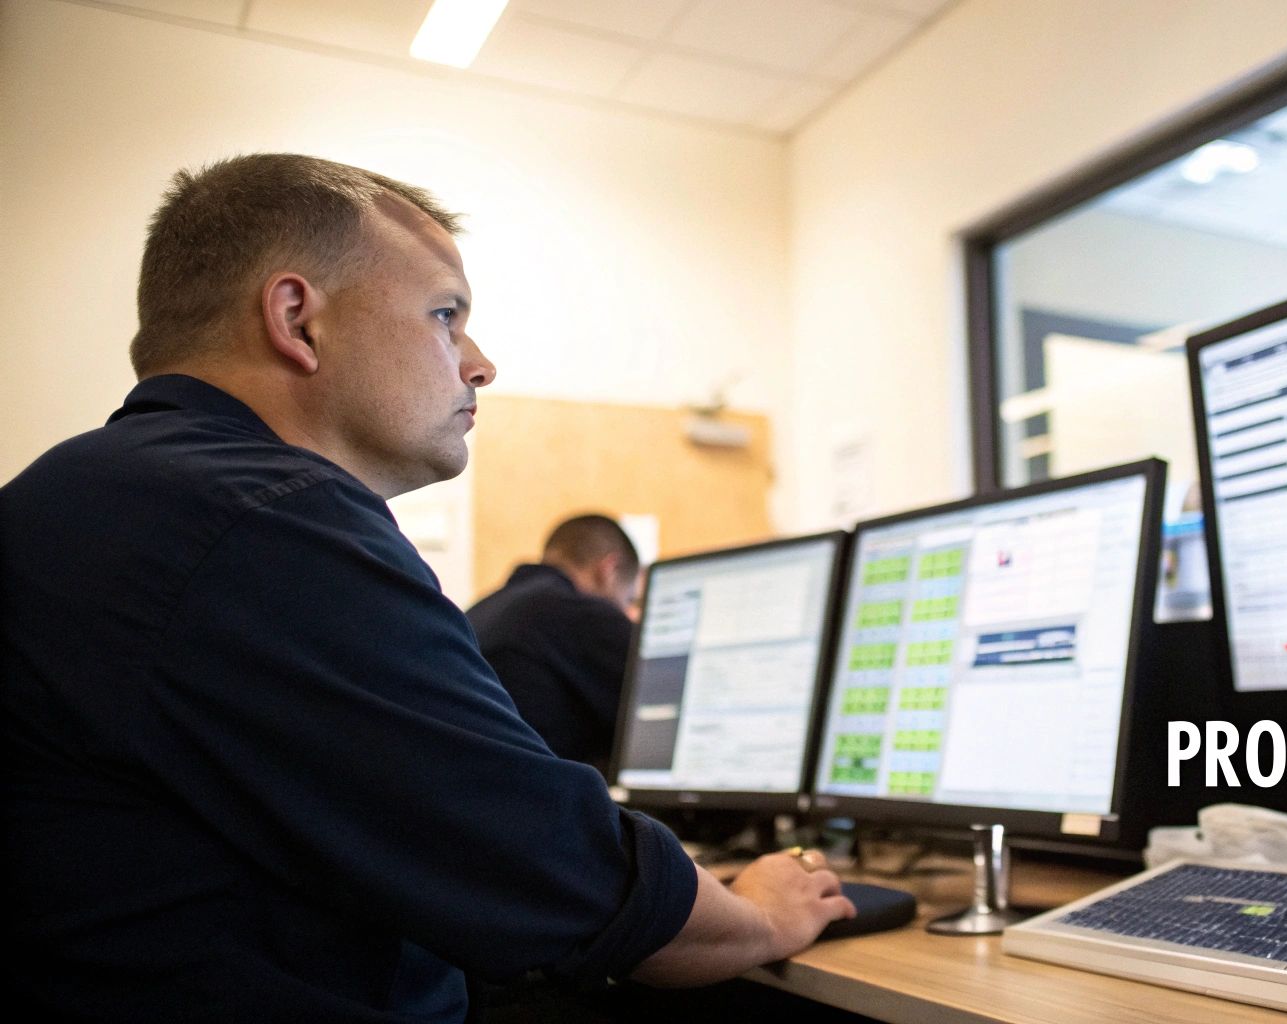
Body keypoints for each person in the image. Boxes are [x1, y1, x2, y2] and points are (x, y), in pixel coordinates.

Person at [0, 154, 853, 1022]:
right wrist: (761, 913)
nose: (480, 364)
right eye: (446, 315)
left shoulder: (95, 492)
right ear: (298, 320)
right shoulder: (264, 521)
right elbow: (555, 868)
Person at [467, 514, 641, 767]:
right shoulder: (583, 614)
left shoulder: (480, 609)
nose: (624, 612)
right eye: (628, 599)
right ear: (609, 569)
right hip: (527, 792)